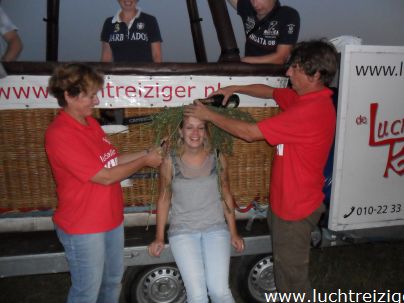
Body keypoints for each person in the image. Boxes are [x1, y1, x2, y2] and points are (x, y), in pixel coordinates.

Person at [184, 40, 338, 297]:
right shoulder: (304, 99)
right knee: (283, 271)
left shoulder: (311, 111)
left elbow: (249, 133)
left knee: (292, 281)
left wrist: (208, 115)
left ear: (316, 75)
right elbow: (270, 92)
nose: (288, 73)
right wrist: (236, 87)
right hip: (285, 205)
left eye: (296, 68)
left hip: (295, 212)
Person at [45, 63, 163, 303]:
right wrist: (145, 161)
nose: (96, 101)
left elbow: (112, 161)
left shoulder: (91, 124)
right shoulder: (60, 134)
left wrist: (146, 152)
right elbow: (106, 176)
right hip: (83, 226)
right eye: (90, 95)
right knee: (86, 292)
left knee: (111, 283)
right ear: (68, 95)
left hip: (110, 220)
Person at [148, 116, 244, 303]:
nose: (195, 133)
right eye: (190, 127)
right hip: (183, 232)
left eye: (200, 128)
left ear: (206, 132)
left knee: (219, 292)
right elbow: (164, 198)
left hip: (215, 228)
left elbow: (226, 194)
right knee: (197, 296)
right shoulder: (169, 160)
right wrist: (159, 237)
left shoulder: (217, 156)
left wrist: (234, 232)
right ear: (181, 132)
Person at [226, 0, 299, 64]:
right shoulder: (247, 7)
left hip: (275, 74)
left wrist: (244, 61)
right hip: (249, 73)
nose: (255, 4)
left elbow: (282, 57)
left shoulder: (288, 15)